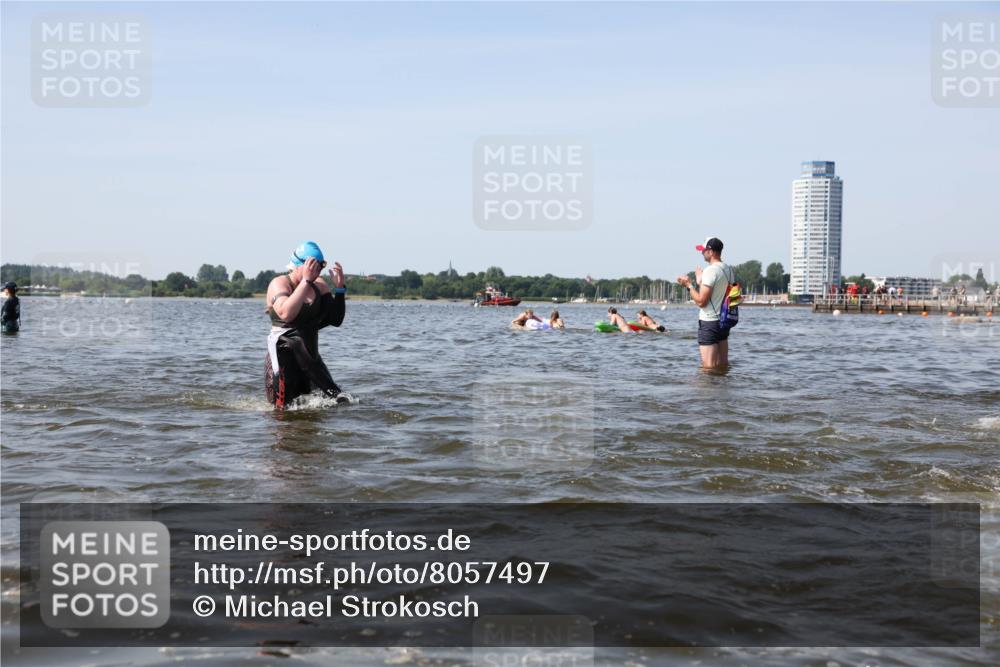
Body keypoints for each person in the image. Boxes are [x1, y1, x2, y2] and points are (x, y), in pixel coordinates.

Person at [265, 242, 349, 408]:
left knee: (330, 403)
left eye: (321, 265)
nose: (317, 270)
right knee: (283, 412)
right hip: (284, 357)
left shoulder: (320, 285)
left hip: (311, 360)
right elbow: (286, 314)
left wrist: (339, 289)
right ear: (299, 264)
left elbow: (335, 319)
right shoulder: (279, 283)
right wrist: (306, 281)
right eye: (313, 265)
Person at [676, 236, 735, 369]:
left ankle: (708, 384)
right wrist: (700, 281)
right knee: (722, 365)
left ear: (711, 252)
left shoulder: (710, 270)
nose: (702, 253)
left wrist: (689, 285)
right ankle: (724, 383)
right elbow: (717, 291)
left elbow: (701, 301)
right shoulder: (728, 269)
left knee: (708, 367)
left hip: (710, 322)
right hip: (724, 321)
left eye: (703, 250)